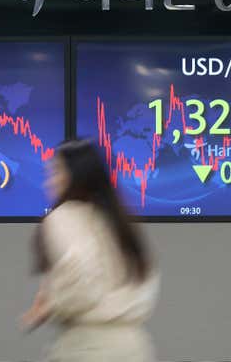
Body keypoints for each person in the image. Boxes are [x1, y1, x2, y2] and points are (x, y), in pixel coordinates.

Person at [22, 139, 160, 362]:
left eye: (55, 173)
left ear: (75, 176)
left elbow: (81, 272)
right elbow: (146, 275)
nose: (49, 183)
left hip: (88, 347)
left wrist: (51, 304)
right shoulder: (120, 221)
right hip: (136, 345)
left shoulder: (64, 216)